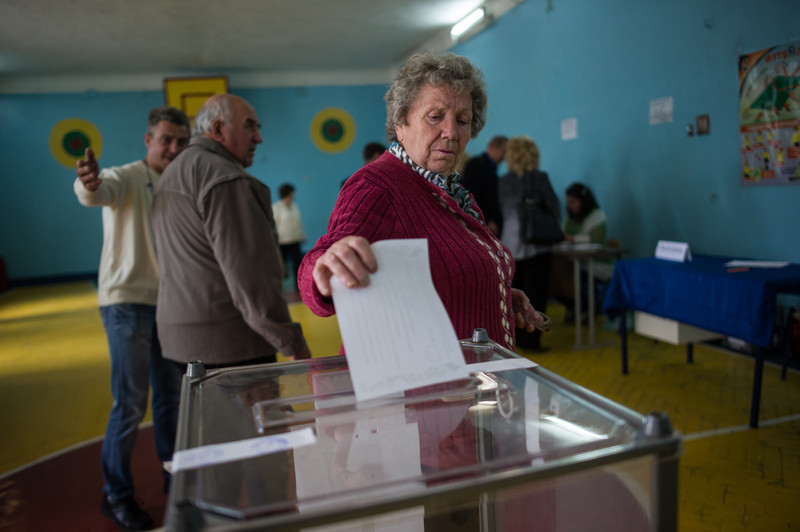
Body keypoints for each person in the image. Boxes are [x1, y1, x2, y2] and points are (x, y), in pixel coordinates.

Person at [298, 52, 544, 354]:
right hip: (417, 395)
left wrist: (494, 289)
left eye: (462, 120)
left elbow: (443, 270)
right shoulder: (376, 185)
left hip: (470, 388)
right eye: (435, 116)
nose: (451, 132)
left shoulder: (455, 192)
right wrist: (324, 267)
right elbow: (320, 265)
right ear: (401, 122)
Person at [74, 106, 190, 531]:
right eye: (165, 140)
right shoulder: (124, 178)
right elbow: (95, 191)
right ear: (149, 141)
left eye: (180, 141)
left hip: (169, 305)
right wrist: (88, 181)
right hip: (126, 304)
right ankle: (116, 496)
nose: (173, 148)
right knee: (129, 404)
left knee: (171, 400)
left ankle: (174, 479)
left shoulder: (178, 184)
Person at [152, 94, 311, 369]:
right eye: (250, 126)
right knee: (255, 413)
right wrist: (290, 341)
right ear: (217, 130)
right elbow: (250, 275)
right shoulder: (226, 179)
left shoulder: (171, 174)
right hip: (230, 343)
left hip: (179, 339)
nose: (258, 138)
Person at [497, 135, 560, 352]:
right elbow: (554, 209)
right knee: (536, 295)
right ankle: (533, 341)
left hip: (509, 246)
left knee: (514, 297)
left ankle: (518, 339)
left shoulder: (503, 181)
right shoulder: (540, 178)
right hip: (536, 246)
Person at [561, 182, 613, 320]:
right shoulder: (569, 218)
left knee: (575, 275)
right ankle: (575, 307)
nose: (570, 206)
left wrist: (571, 238)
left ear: (583, 201)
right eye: (568, 202)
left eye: (573, 202)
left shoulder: (597, 216)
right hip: (575, 262)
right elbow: (561, 234)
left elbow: (595, 241)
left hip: (597, 264)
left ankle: (585, 308)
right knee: (557, 273)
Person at [460, 135, 507, 237]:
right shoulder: (475, 165)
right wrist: (487, 219)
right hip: (483, 224)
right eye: (504, 152)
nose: (505, 157)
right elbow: (471, 195)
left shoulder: (491, 168)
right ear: (494, 147)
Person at [272, 182, 307, 288]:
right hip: (282, 241)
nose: (294, 194)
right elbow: (273, 224)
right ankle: (280, 288)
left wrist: (302, 236)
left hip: (295, 239)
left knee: (298, 264)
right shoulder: (276, 207)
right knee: (281, 266)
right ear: (288, 193)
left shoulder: (294, 206)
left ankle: (299, 286)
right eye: (292, 192)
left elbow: (298, 223)